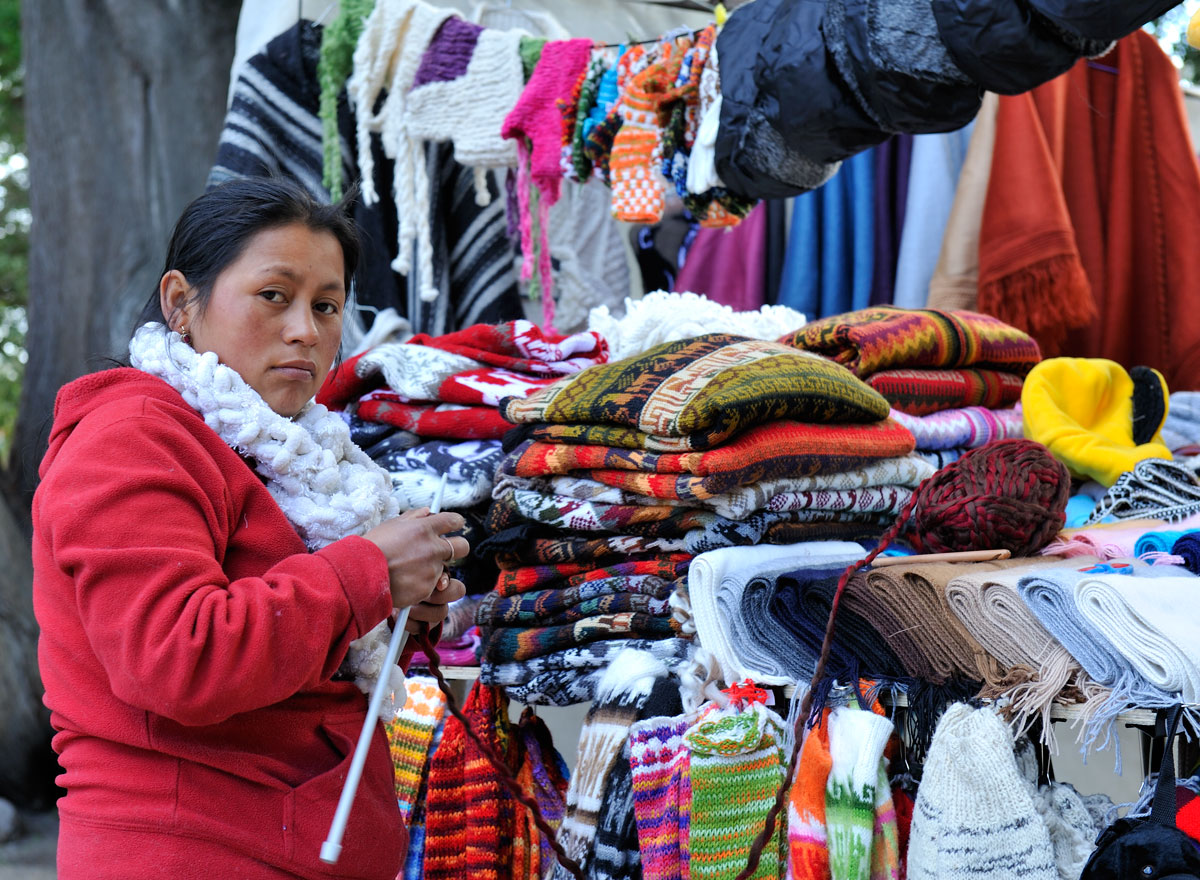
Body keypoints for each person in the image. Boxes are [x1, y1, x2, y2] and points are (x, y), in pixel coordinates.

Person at [32, 177, 468, 879]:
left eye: (327, 306)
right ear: (180, 303)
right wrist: (364, 574)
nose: (306, 330)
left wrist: (393, 609)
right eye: (275, 296)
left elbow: (282, 643)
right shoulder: (132, 437)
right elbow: (176, 659)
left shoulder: (280, 455)